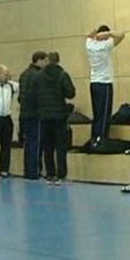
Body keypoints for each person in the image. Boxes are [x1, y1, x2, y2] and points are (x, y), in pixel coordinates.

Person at [34, 52, 76, 185]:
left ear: (47, 60)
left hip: (44, 116)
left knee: (48, 147)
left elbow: (35, 94)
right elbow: (71, 93)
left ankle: (50, 174)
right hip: (59, 115)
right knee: (60, 147)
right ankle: (61, 175)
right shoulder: (63, 75)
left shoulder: (39, 76)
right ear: (58, 60)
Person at [85, 25, 125, 147]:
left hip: (93, 83)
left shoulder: (89, 45)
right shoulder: (105, 46)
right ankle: (101, 139)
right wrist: (109, 33)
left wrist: (94, 34)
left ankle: (94, 138)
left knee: (97, 113)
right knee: (104, 114)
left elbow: (88, 35)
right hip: (105, 83)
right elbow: (121, 34)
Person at [18, 51, 49, 179]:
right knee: (36, 143)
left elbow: (21, 96)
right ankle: (34, 171)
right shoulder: (39, 75)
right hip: (35, 113)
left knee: (28, 143)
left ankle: (27, 170)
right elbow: (39, 96)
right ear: (39, 61)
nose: (47, 64)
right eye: (45, 61)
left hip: (23, 113)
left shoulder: (23, 74)